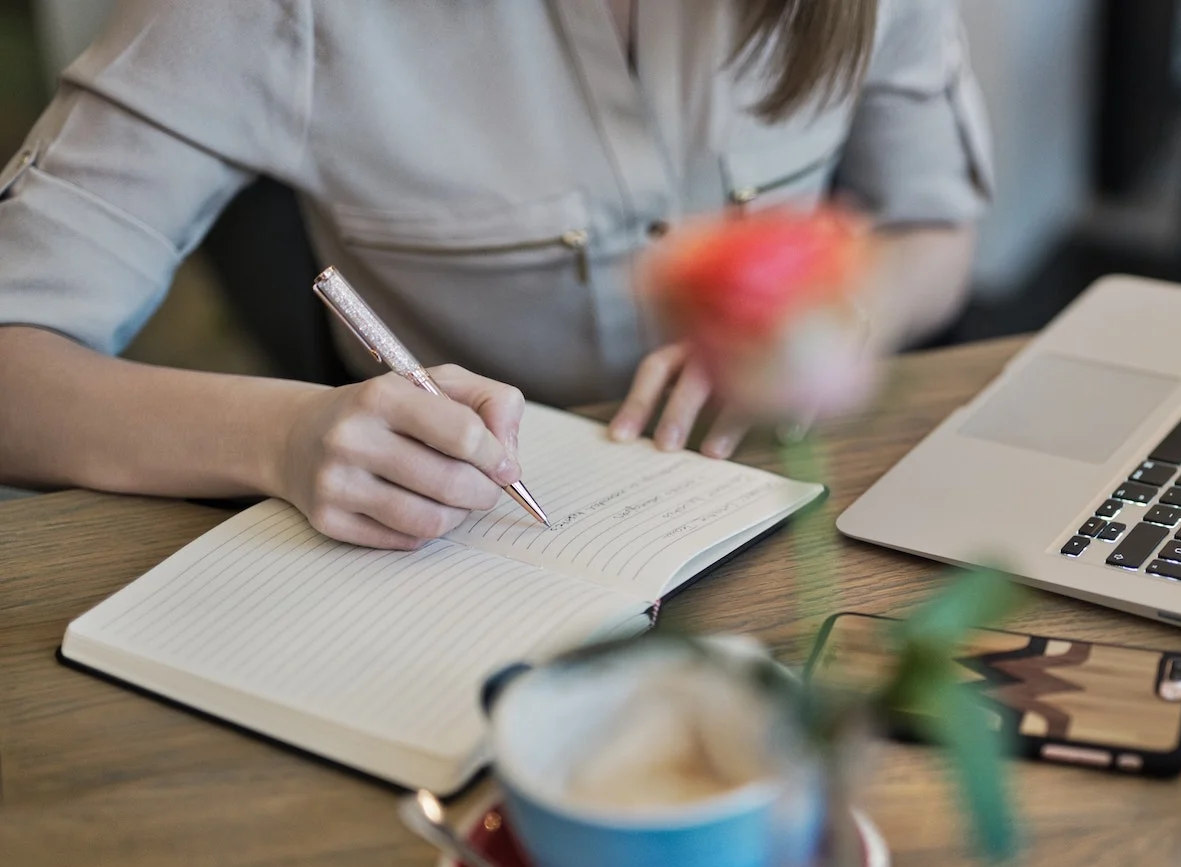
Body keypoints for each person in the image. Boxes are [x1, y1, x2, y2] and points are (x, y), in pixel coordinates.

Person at [0, 0, 993, 549]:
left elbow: (936, 230)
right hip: (469, 551)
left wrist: (848, 313)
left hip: (801, 517)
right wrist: (286, 434)